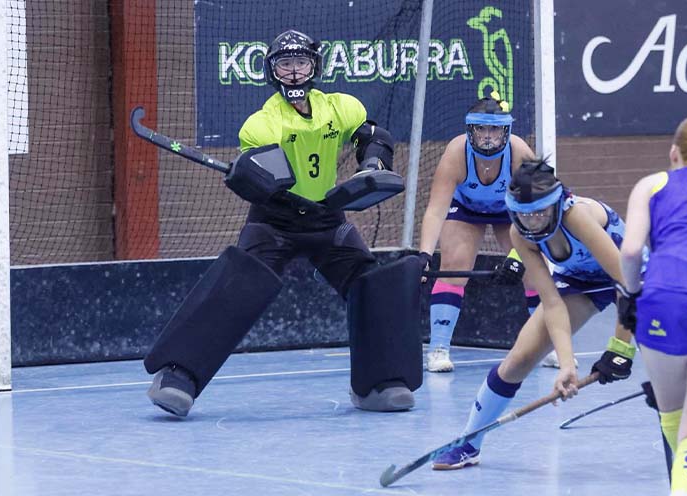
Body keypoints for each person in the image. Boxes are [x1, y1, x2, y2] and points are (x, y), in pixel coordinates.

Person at [142, 29, 424, 417]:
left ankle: (380, 383)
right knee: (237, 286)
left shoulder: (340, 107)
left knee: (371, 284)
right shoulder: (260, 123)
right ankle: (178, 375)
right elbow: (264, 170)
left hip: (327, 219)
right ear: (272, 72)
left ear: (314, 67)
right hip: (275, 221)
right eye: (285, 64)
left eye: (301, 63)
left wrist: (372, 165)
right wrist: (253, 178)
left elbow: (374, 136)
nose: (293, 72)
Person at [431, 159, 636, 470]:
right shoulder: (521, 234)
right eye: (523, 214)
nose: (533, 222)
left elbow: (628, 284)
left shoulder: (577, 217)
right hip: (580, 281)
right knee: (518, 359)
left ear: (557, 204)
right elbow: (552, 303)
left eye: (540, 212)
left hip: (633, 277)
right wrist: (566, 365)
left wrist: (620, 348)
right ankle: (469, 442)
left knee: (671, 354)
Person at [418, 94, 559, 372]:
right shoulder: (455, 153)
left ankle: (547, 346)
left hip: (512, 211)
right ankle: (438, 349)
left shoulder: (520, 153)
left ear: (506, 131)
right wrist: (424, 256)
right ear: (470, 130)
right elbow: (435, 210)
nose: (487, 136)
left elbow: (538, 213)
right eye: (481, 129)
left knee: (535, 270)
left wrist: (518, 256)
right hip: (466, 208)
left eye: (494, 129)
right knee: (454, 266)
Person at [618, 115, 687, 494]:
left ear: (674, 153)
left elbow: (631, 250)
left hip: (666, 298)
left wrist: (631, 294)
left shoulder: (652, 185)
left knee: (676, 418)